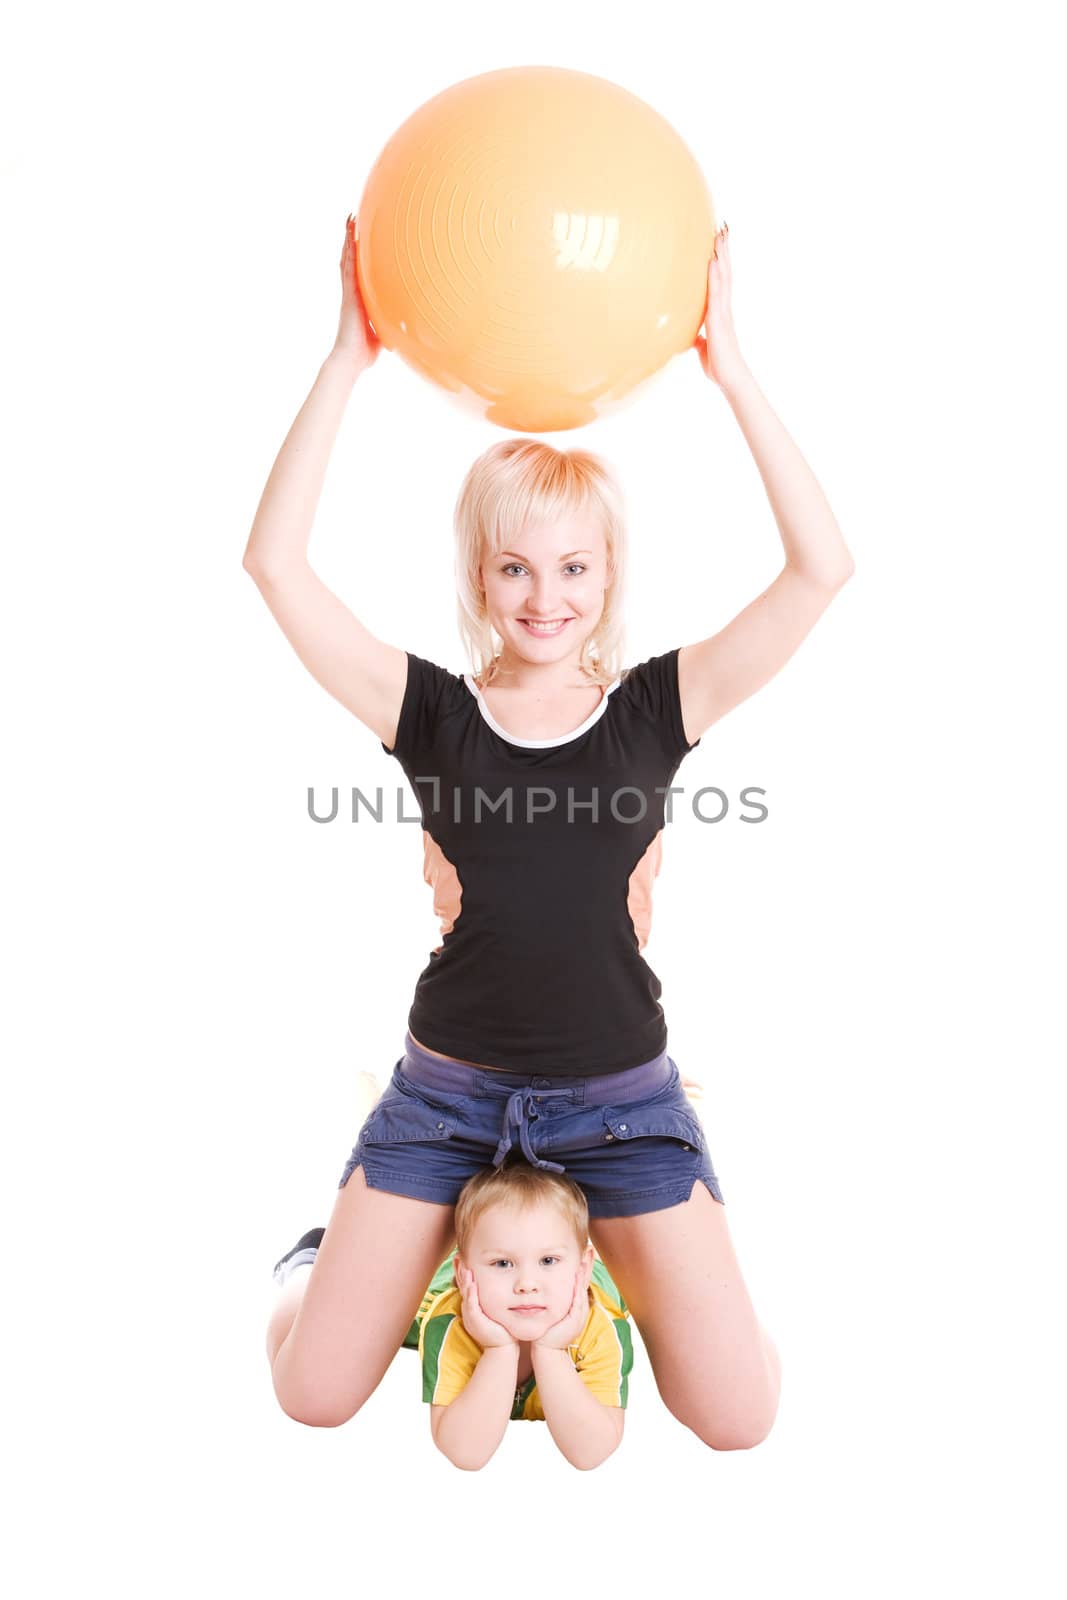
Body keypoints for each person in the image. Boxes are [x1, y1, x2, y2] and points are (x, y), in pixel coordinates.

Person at [249, 212, 855, 1449]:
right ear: (480, 578)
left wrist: (729, 368)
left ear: (605, 578)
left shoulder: (652, 708)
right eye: (516, 570)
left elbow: (819, 571)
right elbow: (274, 565)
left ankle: (603, 1282)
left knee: (738, 1416)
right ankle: (362, 1262)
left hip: (619, 1106)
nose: (544, 595)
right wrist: (343, 362)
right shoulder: (429, 711)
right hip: (447, 1100)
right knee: (310, 1397)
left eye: (572, 569)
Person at [276, 1158, 633, 1470]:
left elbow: (592, 1453)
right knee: (375, 1318)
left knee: (621, 1273)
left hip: (581, 1276)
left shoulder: (601, 1325)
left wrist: (552, 1351)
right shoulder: (450, 1322)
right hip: (451, 1281)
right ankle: (305, 1263)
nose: (527, 1283)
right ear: (466, 1275)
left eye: (547, 1262)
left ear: (582, 1270)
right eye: (503, 1263)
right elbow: (466, 1453)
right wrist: (498, 1349)